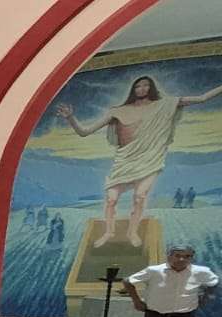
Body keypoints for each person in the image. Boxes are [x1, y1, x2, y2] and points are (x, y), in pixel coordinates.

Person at [56, 76, 222, 248]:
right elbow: (84, 132)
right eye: (138, 86)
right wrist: (70, 118)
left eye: (146, 85)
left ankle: (132, 232)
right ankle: (109, 232)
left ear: (151, 88)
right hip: (125, 160)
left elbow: (202, 98)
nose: (142, 89)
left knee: (139, 197)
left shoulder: (163, 105)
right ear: (133, 89)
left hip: (149, 160)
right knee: (111, 199)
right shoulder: (117, 111)